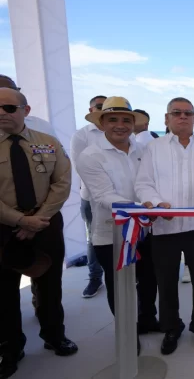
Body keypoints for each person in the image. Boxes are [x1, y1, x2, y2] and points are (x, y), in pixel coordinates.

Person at [0, 88, 78, 379]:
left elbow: (62, 182)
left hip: (45, 225)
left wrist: (38, 219)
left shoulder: (48, 144)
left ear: (25, 110)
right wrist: (20, 220)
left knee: (49, 286)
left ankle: (54, 335)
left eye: (8, 108)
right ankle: (10, 347)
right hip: (4, 227)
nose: (1, 113)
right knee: (4, 292)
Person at [75, 97, 160, 355]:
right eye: (113, 119)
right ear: (102, 123)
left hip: (145, 229)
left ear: (134, 124)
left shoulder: (142, 149)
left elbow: (151, 182)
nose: (120, 125)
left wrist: (153, 203)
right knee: (119, 286)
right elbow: (103, 196)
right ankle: (127, 330)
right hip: (111, 234)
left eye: (126, 120)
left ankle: (147, 319)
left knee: (148, 280)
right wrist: (146, 208)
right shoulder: (90, 156)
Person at [135, 97, 194, 355]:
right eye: (176, 113)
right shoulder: (153, 148)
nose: (182, 117)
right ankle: (171, 327)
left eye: (188, 113)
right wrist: (157, 204)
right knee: (166, 282)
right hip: (164, 228)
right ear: (166, 119)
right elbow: (143, 184)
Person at [70, 95, 107, 299]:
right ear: (91, 110)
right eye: (100, 107)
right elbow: (80, 168)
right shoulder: (81, 135)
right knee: (94, 238)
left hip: (123, 198)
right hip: (91, 197)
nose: (104, 110)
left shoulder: (122, 133)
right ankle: (95, 277)